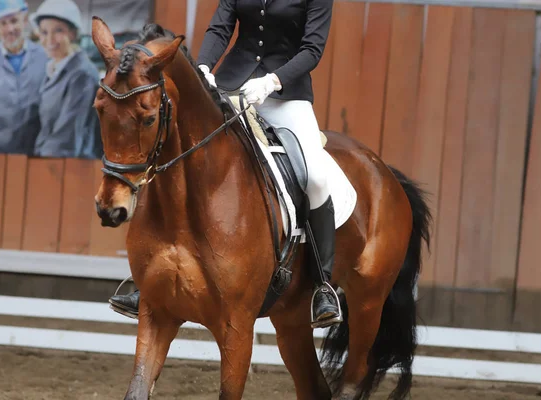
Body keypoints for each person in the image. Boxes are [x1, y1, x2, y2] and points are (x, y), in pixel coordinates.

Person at [109, 0, 341, 329]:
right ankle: (145, 278)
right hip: (231, 84)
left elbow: (312, 49)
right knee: (178, 159)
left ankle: (323, 285)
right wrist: (204, 67)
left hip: (286, 95)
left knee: (316, 178)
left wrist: (273, 81)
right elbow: (220, 27)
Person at [30, 0, 103, 159]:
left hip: (69, 168)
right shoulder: (52, 69)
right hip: (49, 162)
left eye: (58, 31)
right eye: (44, 32)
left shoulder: (82, 75)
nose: (49, 40)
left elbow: (66, 140)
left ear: (72, 33)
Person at [0, 0, 48, 155]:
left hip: (39, 155)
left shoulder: (46, 59)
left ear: (25, 20)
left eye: (14, 21)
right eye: (3, 23)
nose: (10, 29)